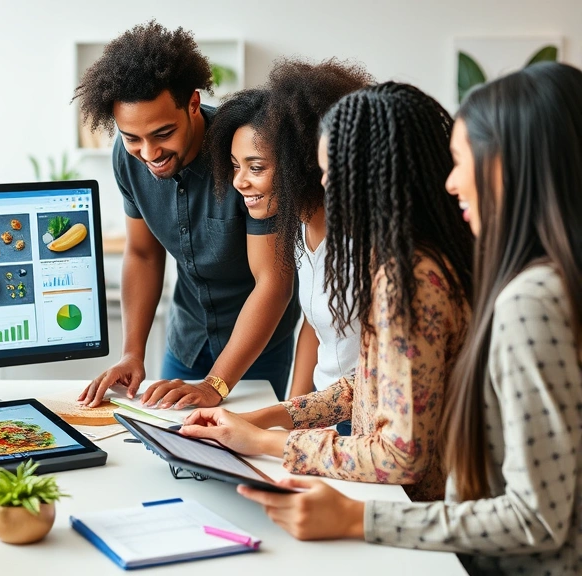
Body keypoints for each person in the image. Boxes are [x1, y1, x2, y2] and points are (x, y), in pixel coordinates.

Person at [236, 61, 582, 576]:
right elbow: (387, 383)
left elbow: (409, 458)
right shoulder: (438, 262)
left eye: (332, 175)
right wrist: (274, 417)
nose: (450, 180)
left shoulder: (460, 286)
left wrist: (347, 511)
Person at [183, 82, 474, 502]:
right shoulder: (401, 260)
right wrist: (264, 419)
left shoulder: (411, 277)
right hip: (388, 492)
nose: (321, 185)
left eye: (330, 173)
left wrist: (268, 440)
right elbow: (368, 382)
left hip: (417, 510)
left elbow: (400, 456)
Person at [74, 21, 300, 406]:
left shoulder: (244, 154)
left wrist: (216, 384)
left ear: (193, 104)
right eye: (132, 138)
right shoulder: (128, 159)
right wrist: (132, 353)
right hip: (187, 339)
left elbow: (273, 282)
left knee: (241, 459)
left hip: (255, 347)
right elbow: (143, 253)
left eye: (163, 133)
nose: (149, 153)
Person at [205, 59, 372, 435]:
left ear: (303, 163)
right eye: (235, 166)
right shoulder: (296, 229)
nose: (239, 182)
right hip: (326, 413)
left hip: (369, 424)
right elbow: (313, 326)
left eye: (256, 168)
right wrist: (289, 421)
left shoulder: (364, 245)